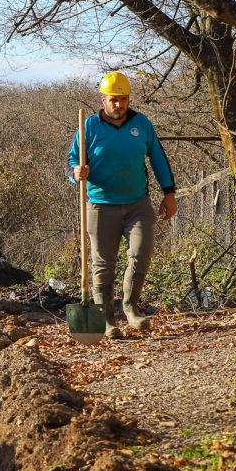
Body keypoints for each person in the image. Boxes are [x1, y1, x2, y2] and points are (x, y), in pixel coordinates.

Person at [67, 71, 178, 338]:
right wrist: (77, 173)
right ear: (103, 99)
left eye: (124, 99)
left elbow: (158, 159)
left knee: (140, 253)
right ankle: (105, 318)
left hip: (137, 203)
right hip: (101, 205)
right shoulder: (89, 127)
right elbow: (71, 163)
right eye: (114, 100)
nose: (119, 105)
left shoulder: (142, 124)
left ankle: (131, 307)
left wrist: (169, 192)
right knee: (103, 264)